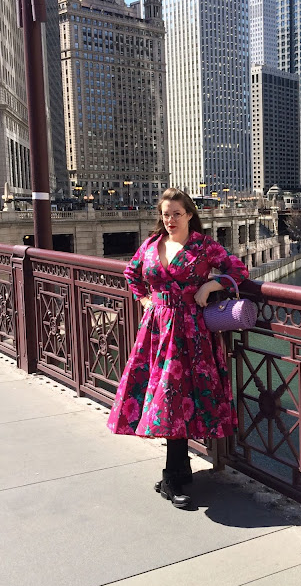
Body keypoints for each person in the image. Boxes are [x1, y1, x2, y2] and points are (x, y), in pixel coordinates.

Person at [107, 188, 249, 508]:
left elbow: (238, 271)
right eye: (166, 214)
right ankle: (174, 475)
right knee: (168, 397)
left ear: (189, 214)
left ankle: (176, 472)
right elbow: (132, 274)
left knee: (180, 396)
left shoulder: (203, 245)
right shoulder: (152, 244)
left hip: (192, 331)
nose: (170, 220)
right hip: (157, 331)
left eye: (177, 214)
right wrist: (145, 299)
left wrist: (211, 286)